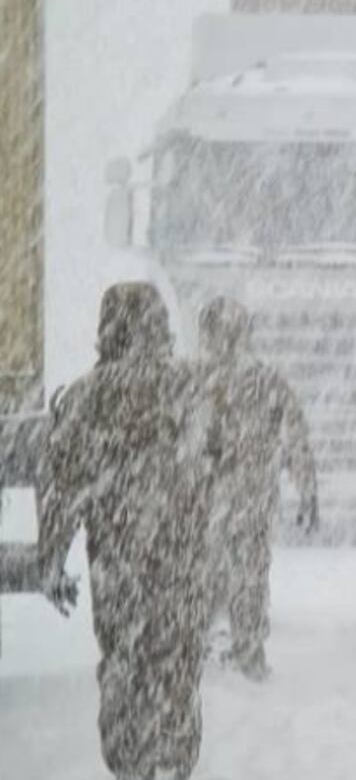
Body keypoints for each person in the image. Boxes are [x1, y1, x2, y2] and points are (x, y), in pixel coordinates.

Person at [38, 282, 218, 780]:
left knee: (124, 661)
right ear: (160, 329)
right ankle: (177, 756)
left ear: (107, 331)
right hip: (182, 561)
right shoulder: (188, 387)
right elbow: (211, 465)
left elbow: (63, 489)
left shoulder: (85, 397)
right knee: (178, 663)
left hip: (117, 563)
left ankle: (130, 764)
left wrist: (51, 560)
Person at [197, 296, 318, 681]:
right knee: (247, 575)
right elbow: (296, 436)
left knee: (209, 575)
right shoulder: (266, 380)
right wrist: (307, 488)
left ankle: (209, 652)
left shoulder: (193, 380)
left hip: (209, 499)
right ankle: (248, 654)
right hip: (250, 497)